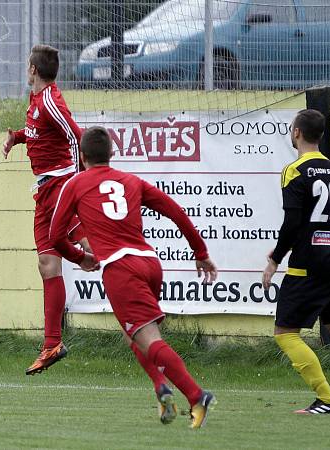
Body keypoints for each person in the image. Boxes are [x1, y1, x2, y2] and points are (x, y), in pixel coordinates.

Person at [50, 126, 218, 428]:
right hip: (150, 263)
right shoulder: (132, 181)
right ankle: (160, 386)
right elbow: (175, 211)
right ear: (112, 154)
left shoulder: (75, 184)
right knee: (134, 335)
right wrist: (200, 252)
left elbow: (56, 236)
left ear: (83, 157)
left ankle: (197, 396)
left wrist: (81, 258)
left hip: (120, 269)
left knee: (149, 339)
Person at [262, 109, 330, 415]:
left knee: (285, 332)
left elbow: (292, 224)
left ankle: (326, 399)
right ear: (320, 135)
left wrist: (274, 260)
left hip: (308, 265)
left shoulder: (295, 170)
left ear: (296, 133)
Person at [1, 44, 84, 375]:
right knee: (48, 264)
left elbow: (76, 136)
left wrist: (83, 181)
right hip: (45, 190)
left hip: (60, 187)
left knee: (91, 245)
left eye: (26, 66)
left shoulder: (49, 99)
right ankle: (53, 343)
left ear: (33, 69)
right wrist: (18, 137)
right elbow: (40, 132)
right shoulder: (37, 101)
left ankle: (137, 287)